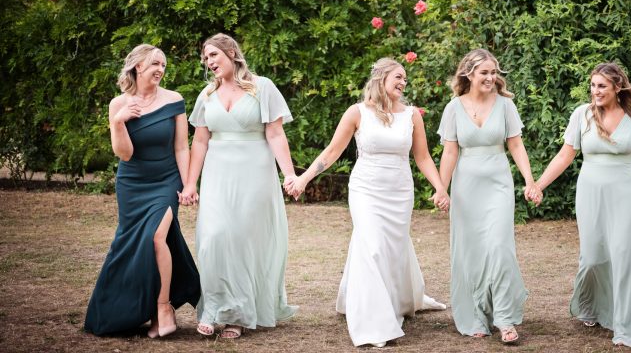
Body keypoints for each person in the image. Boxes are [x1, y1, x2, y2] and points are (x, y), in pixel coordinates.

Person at [284, 57, 450, 348]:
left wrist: (440, 188)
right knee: (371, 245)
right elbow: (333, 151)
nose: (402, 83)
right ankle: (375, 323)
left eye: (405, 79)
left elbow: (422, 157)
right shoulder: (357, 112)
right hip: (365, 190)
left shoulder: (412, 115)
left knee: (390, 247)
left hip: (399, 191)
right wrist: (304, 178)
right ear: (381, 79)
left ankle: (385, 298)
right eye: (398, 77)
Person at [533, 62, 631, 347]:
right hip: (591, 192)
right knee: (592, 256)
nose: (596, 91)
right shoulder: (582, 115)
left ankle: (625, 323)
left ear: (617, 87)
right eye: (593, 86)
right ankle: (591, 306)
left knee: (624, 254)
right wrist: (538, 185)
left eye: (602, 86)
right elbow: (565, 155)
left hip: (627, 193)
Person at [184, 33, 297, 339]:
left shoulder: (263, 87)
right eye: (206, 58)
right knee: (214, 237)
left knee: (243, 240)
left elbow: (275, 134)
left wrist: (289, 174)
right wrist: (191, 183)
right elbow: (200, 140)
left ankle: (237, 315)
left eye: (213, 56)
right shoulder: (206, 95)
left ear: (231, 53)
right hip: (219, 174)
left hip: (255, 172)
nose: (209, 63)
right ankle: (212, 308)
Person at [84, 44, 200, 337]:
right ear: (138, 67)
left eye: (163, 64)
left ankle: (163, 308)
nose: (160, 69)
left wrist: (188, 184)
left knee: (156, 236)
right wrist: (119, 121)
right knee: (136, 244)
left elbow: (180, 147)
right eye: (154, 64)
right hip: (132, 183)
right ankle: (135, 309)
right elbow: (124, 154)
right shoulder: (117, 103)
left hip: (166, 181)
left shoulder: (174, 100)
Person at [437, 48, 539, 344]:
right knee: (472, 254)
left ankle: (505, 318)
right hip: (466, 188)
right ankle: (476, 315)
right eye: (485, 73)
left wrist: (530, 181)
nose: (491, 78)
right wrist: (442, 189)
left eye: (494, 73)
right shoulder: (453, 107)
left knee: (499, 248)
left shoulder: (505, 106)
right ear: (468, 74)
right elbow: (450, 151)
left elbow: (516, 146)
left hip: (498, 185)